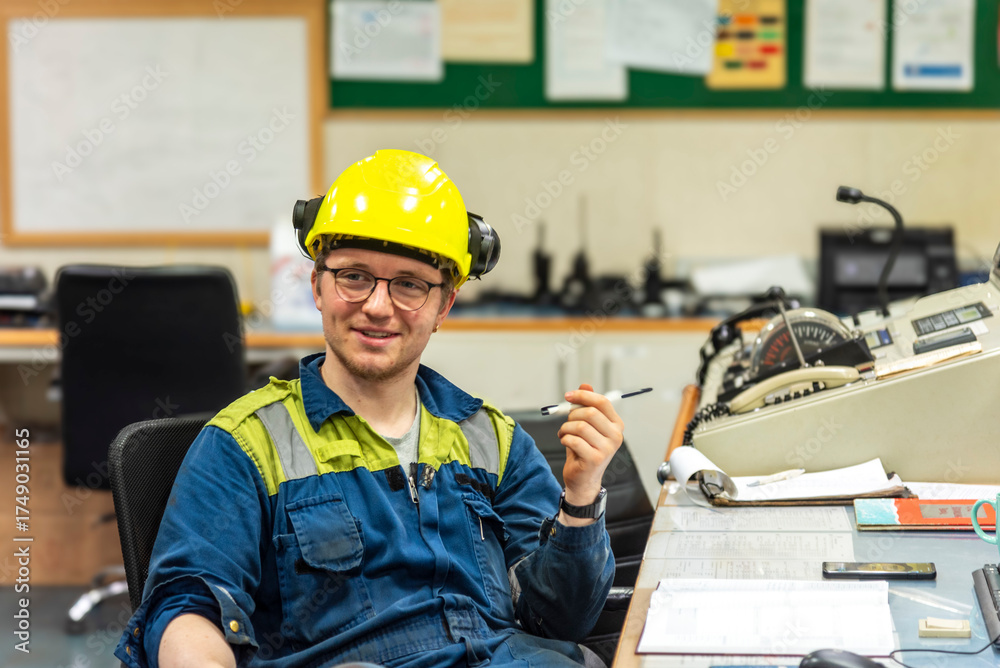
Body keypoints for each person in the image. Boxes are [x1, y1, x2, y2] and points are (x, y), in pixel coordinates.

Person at [115, 149, 624, 668]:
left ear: (442, 305)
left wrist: (581, 497)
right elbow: (186, 609)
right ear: (317, 286)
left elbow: (559, 619)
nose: (378, 306)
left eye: (409, 284)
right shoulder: (245, 445)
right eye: (354, 276)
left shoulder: (493, 442)